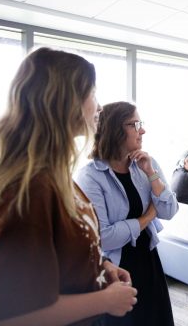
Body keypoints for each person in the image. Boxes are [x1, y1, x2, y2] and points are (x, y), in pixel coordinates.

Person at [0, 47, 137, 325]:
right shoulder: (26, 191)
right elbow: (7, 317)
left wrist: (101, 268)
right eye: (92, 94)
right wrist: (103, 301)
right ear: (66, 103)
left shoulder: (56, 178)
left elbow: (61, 256)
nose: (99, 106)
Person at [76, 101, 178, 326]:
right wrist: (149, 216)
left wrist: (151, 173)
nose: (142, 130)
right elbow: (105, 237)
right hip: (116, 270)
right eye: (135, 124)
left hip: (149, 261)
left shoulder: (146, 164)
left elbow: (170, 210)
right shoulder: (90, 177)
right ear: (114, 128)